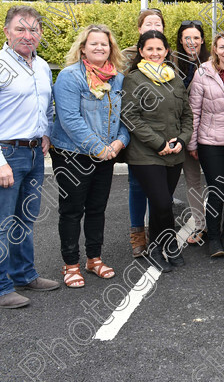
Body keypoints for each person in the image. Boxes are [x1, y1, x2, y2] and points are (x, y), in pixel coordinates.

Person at [0, 5, 59, 308]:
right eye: (20, 29)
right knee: (0, 223)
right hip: (5, 153)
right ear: (7, 32)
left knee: (25, 220)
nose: (27, 35)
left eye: (33, 29)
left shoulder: (42, 66)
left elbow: (45, 107)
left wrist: (45, 132)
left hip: (34, 154)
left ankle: (23, 274)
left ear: (41, 34)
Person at [50, 24, 130, 288]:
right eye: (93, 43)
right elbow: (70, 119)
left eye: (104, 44)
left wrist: (119, 142)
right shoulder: (70, 77)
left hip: (106, 154)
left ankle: (94, 258)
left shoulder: (117, 78)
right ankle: (70, 264)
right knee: (72, 210)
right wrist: (98, 147)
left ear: (111, 48)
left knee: (97, 209)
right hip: (73, 155)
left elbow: (124, 117)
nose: (99, 47)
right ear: (83, 47)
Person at [121, 30, 193, 273]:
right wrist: (159, 143)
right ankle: (158, 246)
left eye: (159, 49)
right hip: (147, 154)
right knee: (161, 202)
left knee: (163, 205)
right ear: (141, 51)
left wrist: (182, 140)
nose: (155, 53)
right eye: (149, 49)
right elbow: (130, 117)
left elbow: (187, 115)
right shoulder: (134, 79)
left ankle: (167, 243)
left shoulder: (174, 79)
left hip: (175, 153)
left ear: (166, 52)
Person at [187, 31, 224, 259]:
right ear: (215, 49)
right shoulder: (204, 73)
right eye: (222, 47)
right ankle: (213, 238)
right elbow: (194, 110)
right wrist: (192, 143)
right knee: (217, 191)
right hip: (210, 142)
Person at [122, 9, 166, 258]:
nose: (153, 26)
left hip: (164, 134)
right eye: (148, 23)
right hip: (138, 132)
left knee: (160, 187)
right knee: (137, 185)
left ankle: (157, 230)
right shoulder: (128, 57)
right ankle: (137, 233)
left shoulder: (167, 55)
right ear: (139, 28)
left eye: (158, 23)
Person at [175, 20, 209, 246]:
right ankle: (200, 224)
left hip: (208, 132)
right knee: (193, 180)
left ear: (203, 40)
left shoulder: (211, 64)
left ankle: (218, 225)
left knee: (217, 181)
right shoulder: (170, 64)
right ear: (180, 40)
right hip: (179, 131)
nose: (192, 42)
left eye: (196, 37)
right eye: (187, 38)